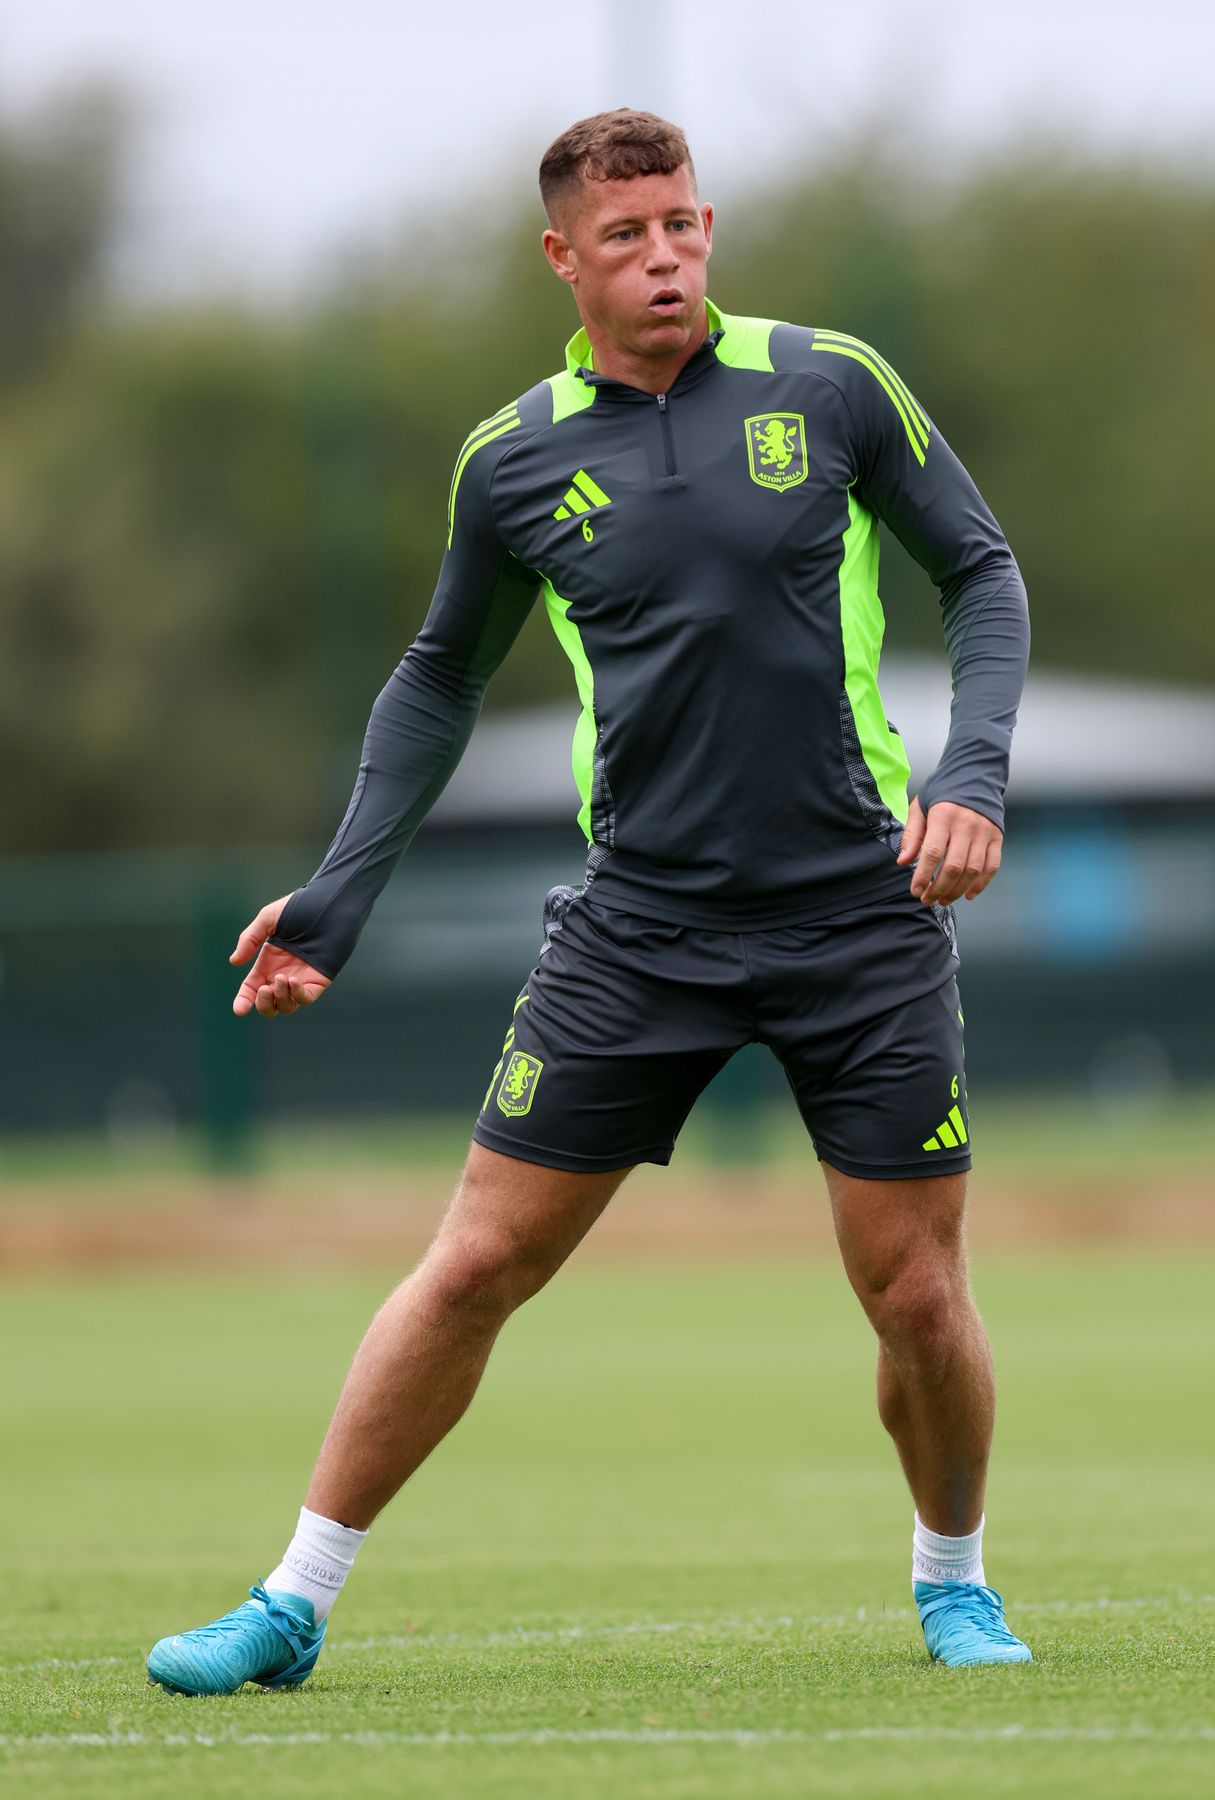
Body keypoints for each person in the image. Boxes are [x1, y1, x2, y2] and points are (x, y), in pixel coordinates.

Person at [146, 107, 1032, 1697]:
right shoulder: (511, 459)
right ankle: (290, 1602)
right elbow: (436, 677)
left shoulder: (829, 382)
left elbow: (981, 569)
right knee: (477, 1265)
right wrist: (337, 897)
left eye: (685, 224)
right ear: (563, 258)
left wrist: (970, 773)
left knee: (913, 1288)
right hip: (641, 927)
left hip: (861, 913)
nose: (667, 256)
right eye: (627, 237)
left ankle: (953, 1580)